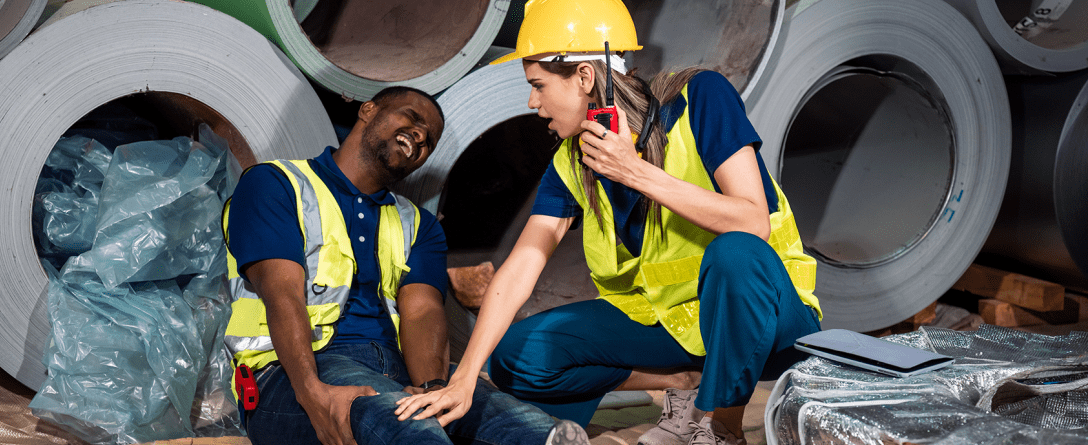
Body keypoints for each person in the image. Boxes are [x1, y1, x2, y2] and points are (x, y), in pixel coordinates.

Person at [394, 1, 823, 444]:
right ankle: (685, 380)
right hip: (673, 329)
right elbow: (522, 263)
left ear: (584, 77)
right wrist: (464, 378)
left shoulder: (702, 99)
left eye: (538, 86)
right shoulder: (573, 159)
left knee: (736, 252)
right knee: (517, 353)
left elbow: (752, 221)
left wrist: (635, 172)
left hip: (769, 325)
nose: (532, 103)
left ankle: (719, 426)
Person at [222, 86, 589, 445]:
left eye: (428, 139)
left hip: (396, 367)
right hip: (295, 372)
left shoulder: (418, 224)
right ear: (368, 111)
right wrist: (311, 392)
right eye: (412, 118)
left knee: (519, 423)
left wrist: (433, 387)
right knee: (404, 423)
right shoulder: (276, 184)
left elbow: (422, 313)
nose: (420, 135)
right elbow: (282, 295)